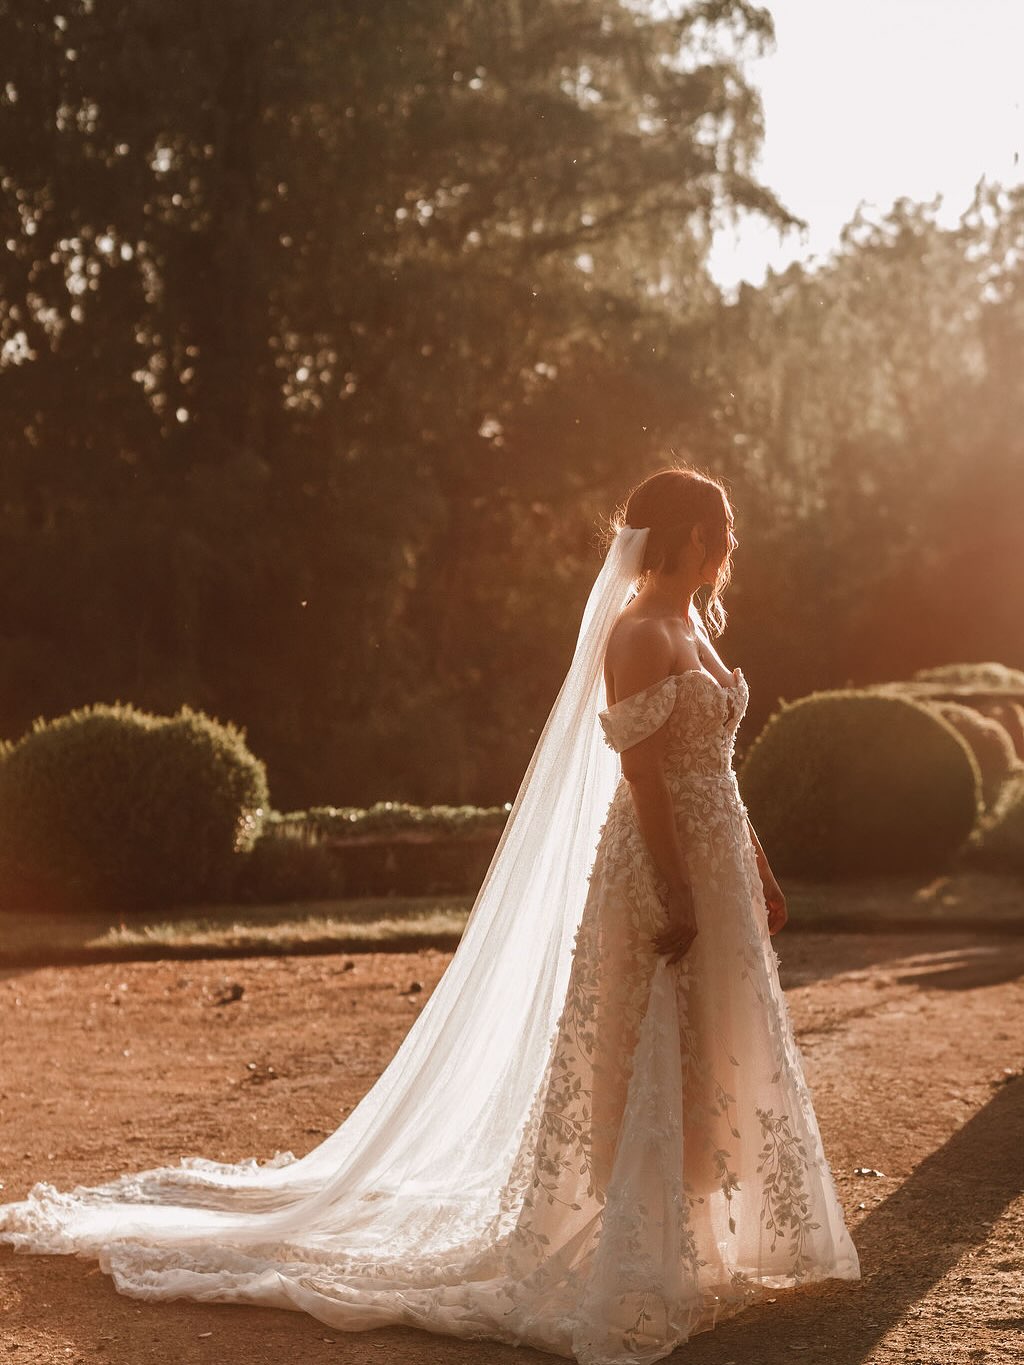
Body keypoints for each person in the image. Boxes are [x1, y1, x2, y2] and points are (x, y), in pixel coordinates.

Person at [0, 465, 859, 1364]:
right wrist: (677, 887)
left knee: (713, 1037)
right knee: (646, 1044)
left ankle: (699, 1240)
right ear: (689, 536)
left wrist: (755, 864)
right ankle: (639, 1249)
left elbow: (716, 768)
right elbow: (644, 779)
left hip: (716, 857)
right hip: (661, 863)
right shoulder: (639, 634)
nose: (729, 543)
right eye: (719, 526)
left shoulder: (693, 624)